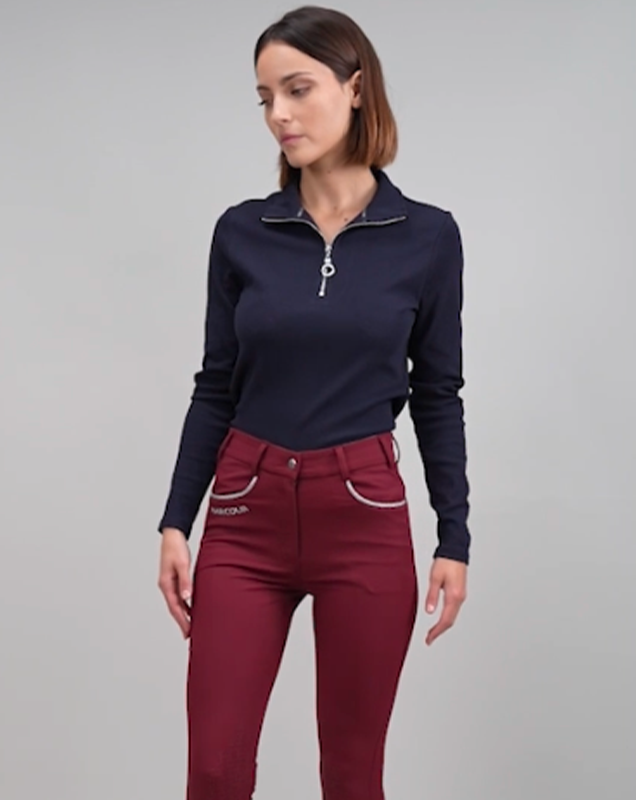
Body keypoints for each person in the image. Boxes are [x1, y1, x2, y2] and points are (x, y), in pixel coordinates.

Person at [156, 5, 471, 799]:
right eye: (266, 98)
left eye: (297, 90)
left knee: (353, 777)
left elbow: (437, 393)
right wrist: (175, 520)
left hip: (363, 515)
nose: (279, 115)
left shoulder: (427, 237)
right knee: (215, 771)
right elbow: (216, 385)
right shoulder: (242, 232)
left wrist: (455, 536)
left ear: (356, 88)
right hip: (245, 512)